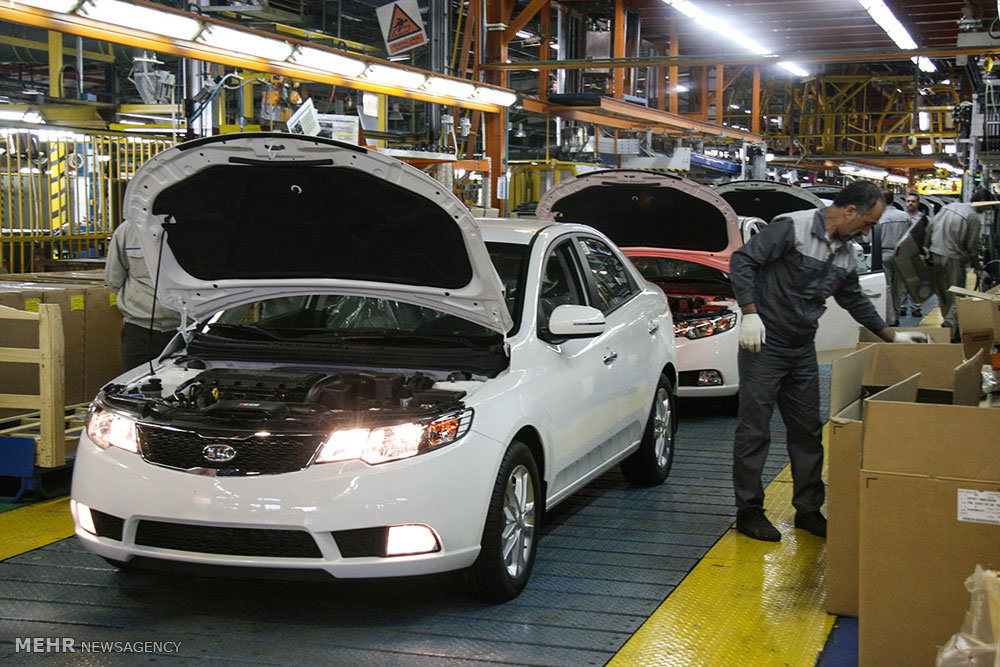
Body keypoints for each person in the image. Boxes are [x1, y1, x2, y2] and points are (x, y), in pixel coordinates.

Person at [730, 180, 926, 542]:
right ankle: (749, 512)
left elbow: (853, 297)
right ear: (850, 211)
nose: (866, 232)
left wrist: (890, 335)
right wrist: (750, 313)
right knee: (754, 430)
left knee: (808, 431)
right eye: (867, 223)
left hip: (802, 347)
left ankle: (808, 510)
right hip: (766, 344)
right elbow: (743, 261)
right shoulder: (793, 228)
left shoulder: (846, 252)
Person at [105, 219, 181, 371]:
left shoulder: (193, 226)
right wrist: (137, 302)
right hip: (140, 329)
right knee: (135, 382)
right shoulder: (128, 230)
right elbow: (114, 279)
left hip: (184, 329)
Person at [927, 189, 987, 342]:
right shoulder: (973, 217)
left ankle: (948, 325)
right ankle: (952, 332)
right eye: (988, 206)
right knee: (956, 294)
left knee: (942, 294)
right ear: (982, 201)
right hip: (953, 258)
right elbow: (972, 246)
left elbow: (930, 228)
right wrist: (978, 266)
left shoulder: (949, 207)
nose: (988, 210)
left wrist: (926, 251)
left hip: (935, 254)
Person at [875, 191, 912, 326]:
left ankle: (889, 319)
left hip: (884, 255)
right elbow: (910, 235)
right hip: (901, 255)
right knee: (898, 288)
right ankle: (896, 316)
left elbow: (868, 239)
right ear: (893, 200)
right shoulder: (905, 216)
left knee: (887, 287)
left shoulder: (878, 217)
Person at [901, 193, 926, 317]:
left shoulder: (923, 219)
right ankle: (902, 306)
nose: (910, 203)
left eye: (913, 201)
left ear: (918, 203)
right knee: (902, 282)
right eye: (908, 201)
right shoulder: (901, 217)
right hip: (902, 254)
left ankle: (916, 307)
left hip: (917, 253)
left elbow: (928, 235)